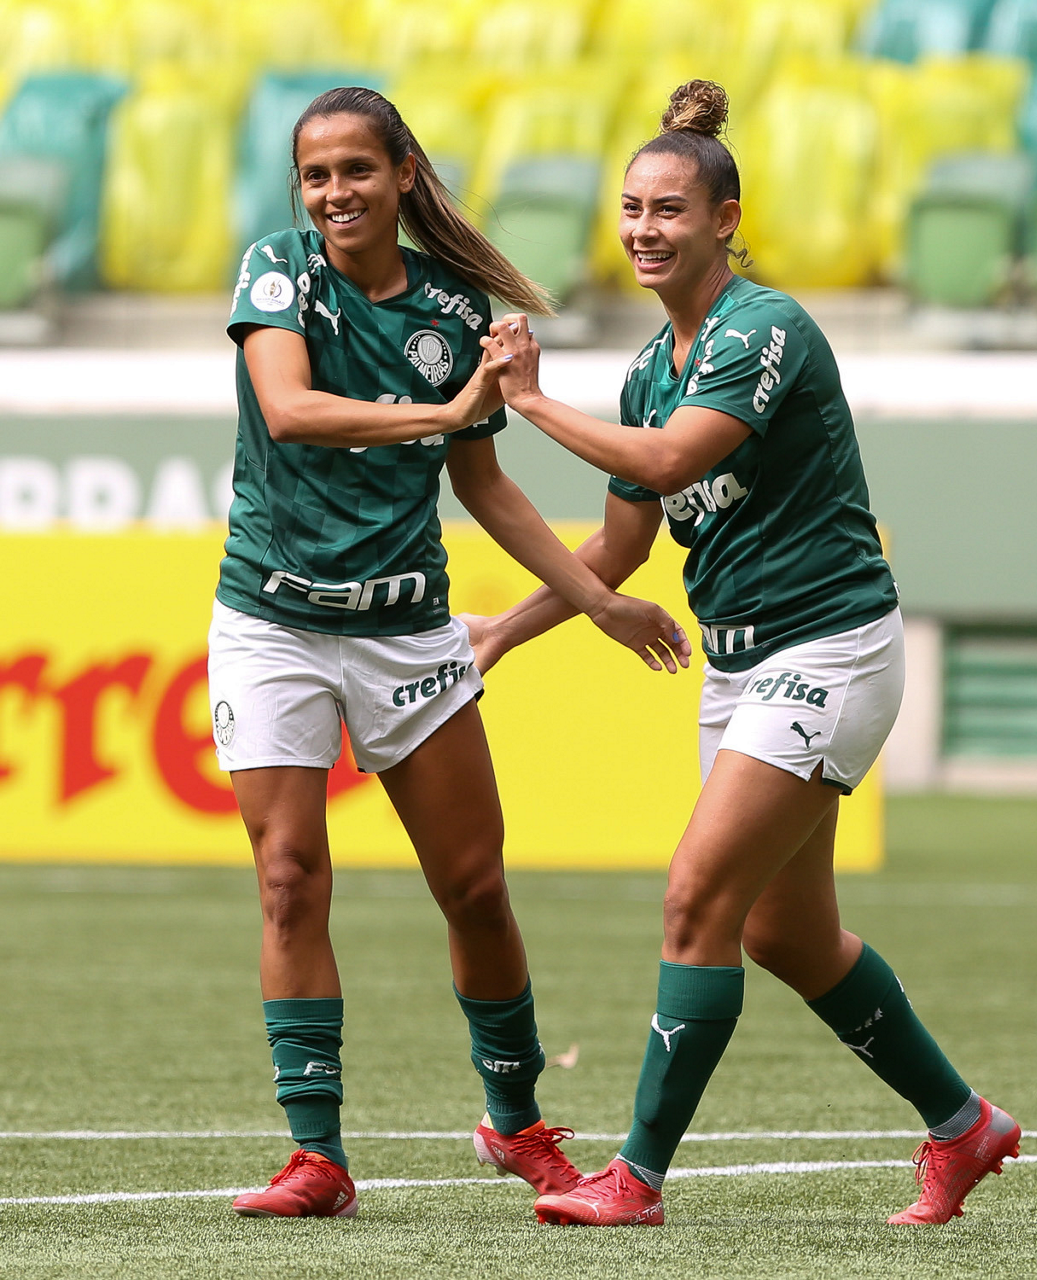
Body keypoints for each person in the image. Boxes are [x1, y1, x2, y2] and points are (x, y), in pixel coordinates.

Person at [466, 80, 1020, 1228]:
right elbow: (621, 545)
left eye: (669, 208)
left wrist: (529, 400)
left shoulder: (762, 329)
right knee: (784, 932)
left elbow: (671, 463)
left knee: (695, 897)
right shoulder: (648, 371)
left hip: (830, 647)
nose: (644, 228)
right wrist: (503, 634)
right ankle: (964, 1124)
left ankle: (635, 1176)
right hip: (740, 666)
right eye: (631, 208)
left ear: (724, 220)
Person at [210, 85, 690, 1220]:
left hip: (406, 631)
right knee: (289, 879)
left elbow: (486, 487)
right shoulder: (277, 271)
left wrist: (596, 600)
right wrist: (443, 409)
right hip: (271, 623)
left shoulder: (453, 308)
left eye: (356, 170)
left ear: (404, 175)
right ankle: (317, 1156)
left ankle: (514, 1122)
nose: (335, 193)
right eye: (316, 175)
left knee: (474, 887)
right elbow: (289, 408)